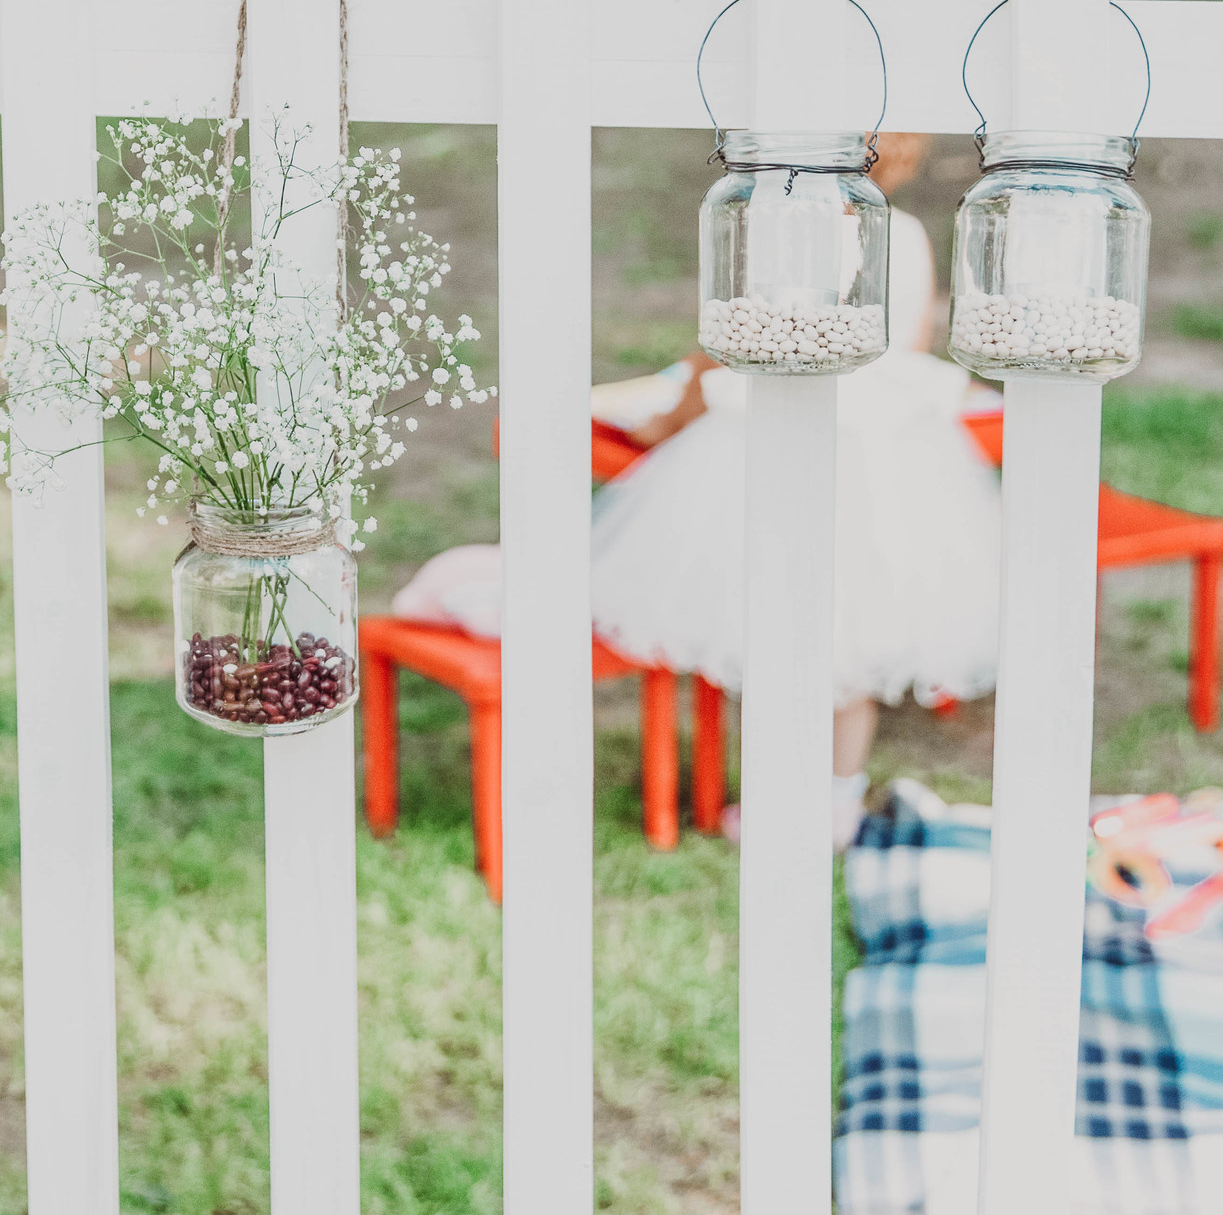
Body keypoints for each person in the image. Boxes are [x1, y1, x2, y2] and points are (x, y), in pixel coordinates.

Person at [394, 133, 1003, 849]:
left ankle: (781, 792)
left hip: (776, 448)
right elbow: (909, 347)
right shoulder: (904, 233)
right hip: (886, 459)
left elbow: (724, 348)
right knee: (852, 640)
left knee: (762, 622)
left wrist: (667, 421)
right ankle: (835, 799)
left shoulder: (778, 229)